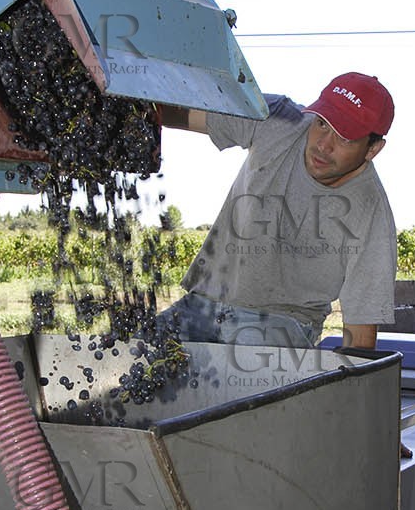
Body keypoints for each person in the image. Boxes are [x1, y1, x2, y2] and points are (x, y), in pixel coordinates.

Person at [158, 72, 396, 349]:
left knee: (244, 388)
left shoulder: (369, 211)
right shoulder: (281, 121)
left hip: (280, 323)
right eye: (322, 123)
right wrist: (119, 105)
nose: (323, 144)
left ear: (373, 149)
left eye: (344, 139)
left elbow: (361, 327)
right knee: (129, 365)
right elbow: (183, 113)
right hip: (202, 303)